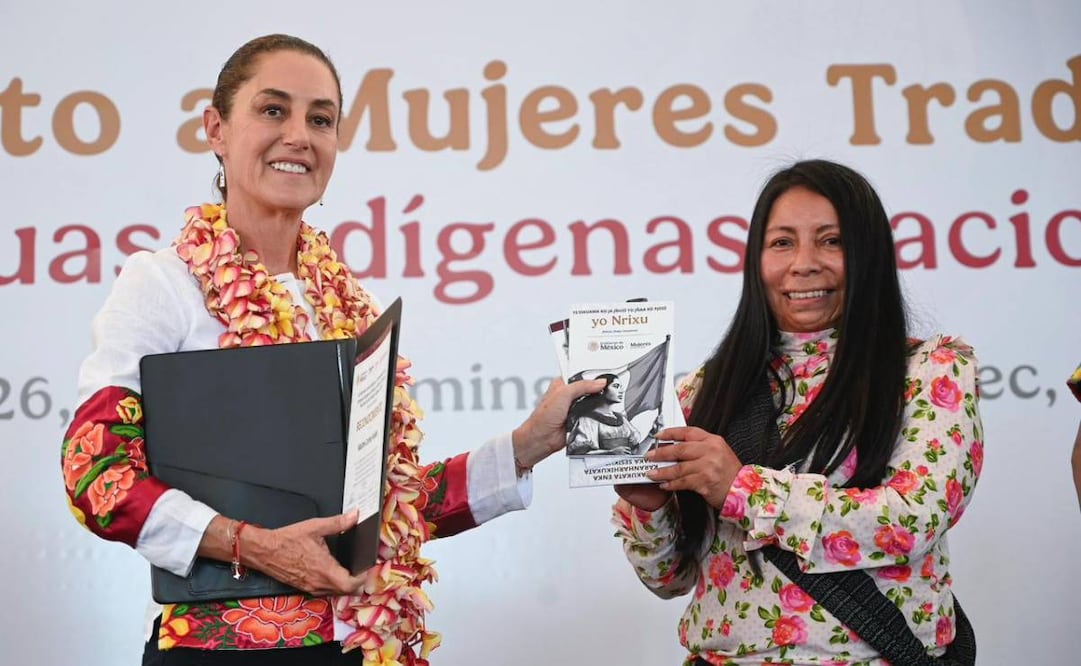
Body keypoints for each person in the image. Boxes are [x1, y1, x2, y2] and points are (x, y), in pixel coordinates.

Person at [60, 34, 603, 666]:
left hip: (361, 647)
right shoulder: (164, 283)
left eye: (321, 120)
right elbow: (95, 470)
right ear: (216, 128)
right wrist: (249, 545)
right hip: (225, 652)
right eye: (272, 110)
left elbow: (383, 515)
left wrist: (529, 442)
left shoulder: (350, 306)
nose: (299, 136)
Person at [611, 159, 983, 664]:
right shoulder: (706, 389)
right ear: (755, 260)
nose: (804, 263)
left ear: (869, 254)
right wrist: (649, 507)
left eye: (832, 241)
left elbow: (913, 521)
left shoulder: (930, 370)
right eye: (782, 242)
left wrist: (741, 488)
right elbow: (670, 579)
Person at [567, 373, 644, 455]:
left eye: (621, 387)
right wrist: (610, 453)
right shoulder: (587, 420)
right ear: (601, 390)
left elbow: (637, 453)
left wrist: (652, 434)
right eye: (616, 386)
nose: (621, 391)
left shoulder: (622, 419)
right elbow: (579, 454)